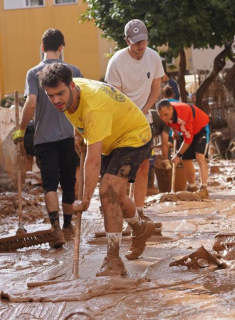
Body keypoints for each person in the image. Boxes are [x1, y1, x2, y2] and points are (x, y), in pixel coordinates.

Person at [39, 62, 154, 277]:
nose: (56, 100)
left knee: (107, 191)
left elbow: (92, 162)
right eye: (50, 95)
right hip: (111, 136)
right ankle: (140, 229)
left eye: (60, 94)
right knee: (118, 196)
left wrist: (85, 200)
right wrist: (79, 133)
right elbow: (77, 114)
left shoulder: (94, 108)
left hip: (135, 135)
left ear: (72, 86)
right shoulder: (70, 94)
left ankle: (113, 259)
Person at [12, 29, 83, 248]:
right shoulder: (73, 70)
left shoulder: (33, 73)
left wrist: (21, 130)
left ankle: (55, 228)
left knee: (50, 183)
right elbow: (82, 101)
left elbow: (31, 103)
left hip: (44, 138)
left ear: (42, 48)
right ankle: (68, 225)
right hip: (70, 136)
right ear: (62, 47)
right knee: (69, 182)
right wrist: (82, 133)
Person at [105, 19, 165, 219]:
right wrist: (130, 116)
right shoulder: (116, 62)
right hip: (122, 122)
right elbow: (114, 98)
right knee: (122, 170)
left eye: (143, 41)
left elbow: (155, 89)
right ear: (126, 40)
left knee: (144, 167)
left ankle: (139, 211)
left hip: (144, 118)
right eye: (135, 42)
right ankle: (122, 210)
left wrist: (145, 110)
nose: (140, 46)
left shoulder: (154, 57)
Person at [156, 99, 210, 198]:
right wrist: (175, 131)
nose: (163, 118)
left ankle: (204, 188)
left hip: (200, 126)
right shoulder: (167, 114)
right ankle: (192, 186)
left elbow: (188, 140)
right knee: (186, 159)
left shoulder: (183, 117)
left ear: (171, 109)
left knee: (199, 156)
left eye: (165, 115)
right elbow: (170, 122)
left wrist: (178, 155)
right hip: (187, 129)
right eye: (161, 115)